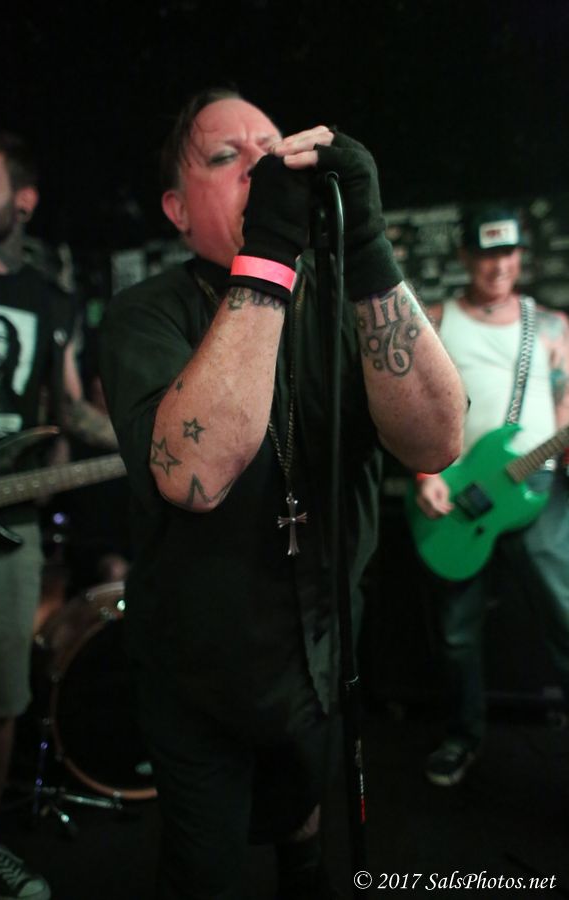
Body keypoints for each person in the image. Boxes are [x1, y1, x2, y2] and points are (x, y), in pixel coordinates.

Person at [99, 87, 466, 900]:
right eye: (224, 157)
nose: (260, 168)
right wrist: (267, 254)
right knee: (206, 872)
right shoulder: (142, 315)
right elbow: (193, 477)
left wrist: (366, 247)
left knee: (306, 836)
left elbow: (437, 441)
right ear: (177, 209)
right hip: (199, 675)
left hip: (322, 657)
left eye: (270, 150)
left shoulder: (342, 301)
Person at [0, 131, 118, 900]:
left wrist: (144, 436)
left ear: (22, 200)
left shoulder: (51, 302)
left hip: (11, 526)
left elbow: (70, 410)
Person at [414, 206, 569, 788]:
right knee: (456, 634)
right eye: (486, 255)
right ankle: (463, 736)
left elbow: (565, 404)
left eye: (508, 254)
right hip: (460, 496)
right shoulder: (435, 320)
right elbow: (412, 407)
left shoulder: (549, 325)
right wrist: (424, 472)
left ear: (521, 255)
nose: (499, 266)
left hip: (538, 489)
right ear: (465, 257)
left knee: (566, 616)